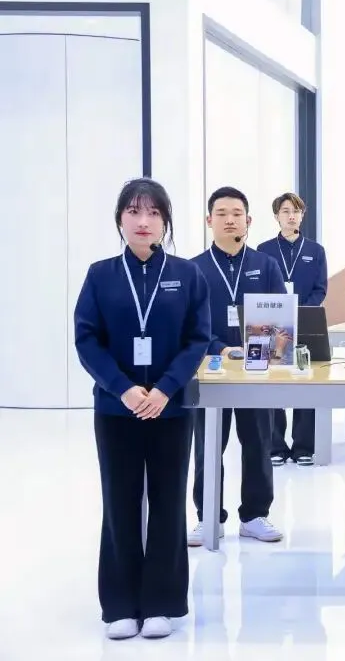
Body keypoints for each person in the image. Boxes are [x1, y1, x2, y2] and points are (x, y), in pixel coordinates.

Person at [74, 178, 211, 640]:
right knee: (120, 502)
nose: (143, 221)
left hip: (170, 410)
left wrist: (166, 389)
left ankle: (162, 603)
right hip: (117, 410)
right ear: (120, 219)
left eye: (154, 212)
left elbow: (197, 339)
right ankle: (119, 604)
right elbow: (87, 339)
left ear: (166, 221)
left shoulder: (188, 275)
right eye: (133, 211)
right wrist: (123, 389)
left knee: (169, 503)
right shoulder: (100, 275)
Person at [189, 186, 287, 546]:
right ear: (208, 220)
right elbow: (189, 325)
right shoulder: (194, 269)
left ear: (249, 220)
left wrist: (255, 348)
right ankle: (208, 517)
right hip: (210, 370)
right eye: (221, 214)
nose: (229, 220)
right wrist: (222, 348)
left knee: (258, 441)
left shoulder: (266, 265)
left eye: (236, 214)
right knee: (207, 446)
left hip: (257, 369)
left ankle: (255, 515)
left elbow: (281, 318)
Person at [256, 192, 328, 467]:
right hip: (274, 324)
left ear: (302, 215)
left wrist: (301, 312)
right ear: (277, 216)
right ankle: (275, 445)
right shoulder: (264, 249)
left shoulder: (315, 250)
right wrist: (280, 313)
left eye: (296, 211)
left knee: (306, 382)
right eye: (286, 211)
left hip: (307, 322)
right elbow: (261, 286)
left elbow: (320, 288)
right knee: (274, 382)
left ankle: (303, 447)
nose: (291, 216)